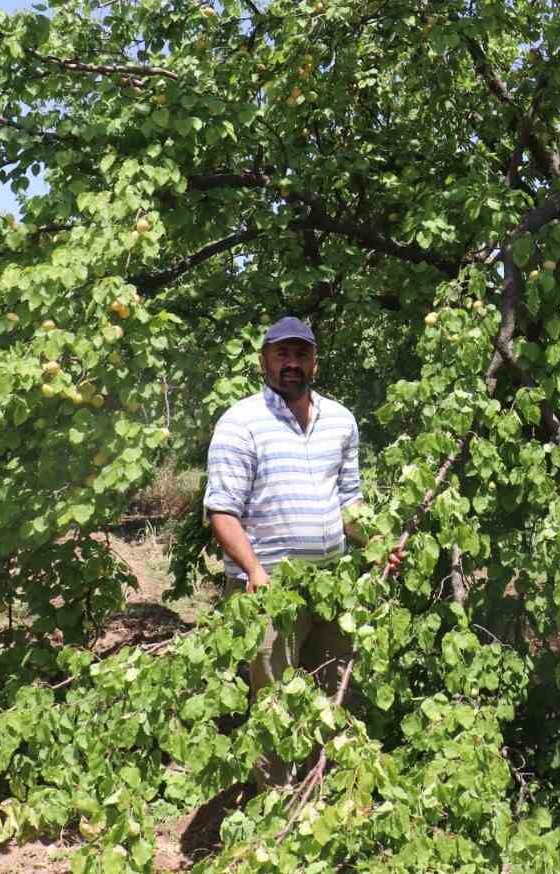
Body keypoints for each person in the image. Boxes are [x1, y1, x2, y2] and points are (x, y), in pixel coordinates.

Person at [203, 315, 365, 786]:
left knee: (332, 690)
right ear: (264, 360)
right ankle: (275, 807)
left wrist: (377, 545)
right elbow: (222, 511)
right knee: (274, 702)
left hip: (331, 587)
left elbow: (349, 500)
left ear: (314, 360)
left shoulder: (341, 420)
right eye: (281, 354)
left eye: (300, 354)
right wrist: (254, 571)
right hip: (269, 589)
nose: (291, 363)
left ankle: (324, 794)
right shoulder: (241, 422)